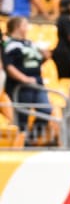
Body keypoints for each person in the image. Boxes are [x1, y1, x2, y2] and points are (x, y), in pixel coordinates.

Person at [3, 16, 52, 144]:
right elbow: (9, 66)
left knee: (46, 110)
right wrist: (24, 78)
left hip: (37, 83)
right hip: (20, 86)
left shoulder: (30, 43)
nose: (28, 27)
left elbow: (39, 61)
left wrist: (46, 55)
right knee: (22, 117)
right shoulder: (9, 44)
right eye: (25, 24)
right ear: (18, 27)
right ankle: (21, 144)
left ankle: (30, 140)